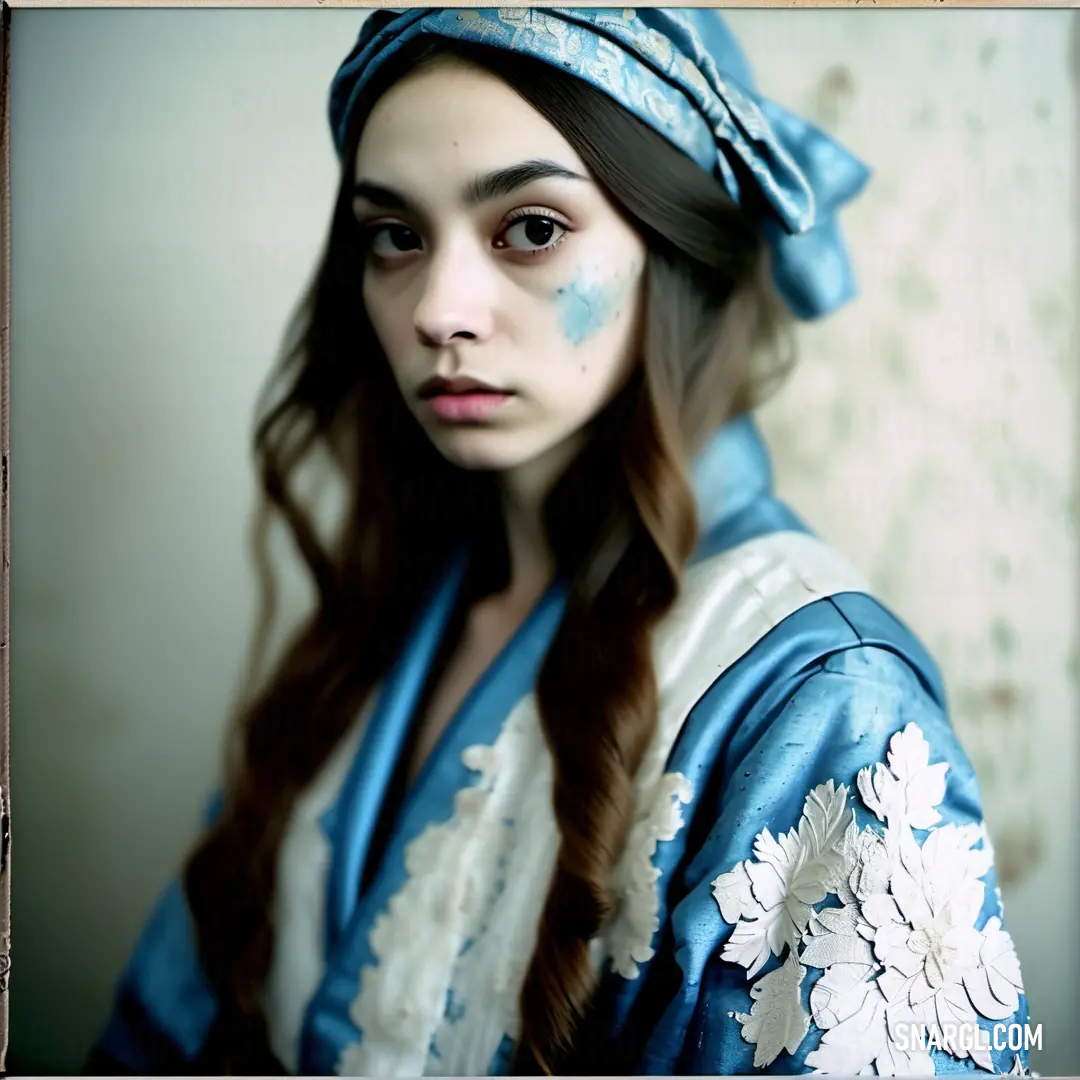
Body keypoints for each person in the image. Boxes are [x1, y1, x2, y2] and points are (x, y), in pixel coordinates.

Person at [88, 8, 1031, 1076]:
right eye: (394, 234)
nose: (439, 308)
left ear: (669, 242)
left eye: (531, 227)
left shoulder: (819, 693)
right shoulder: (383, 616)